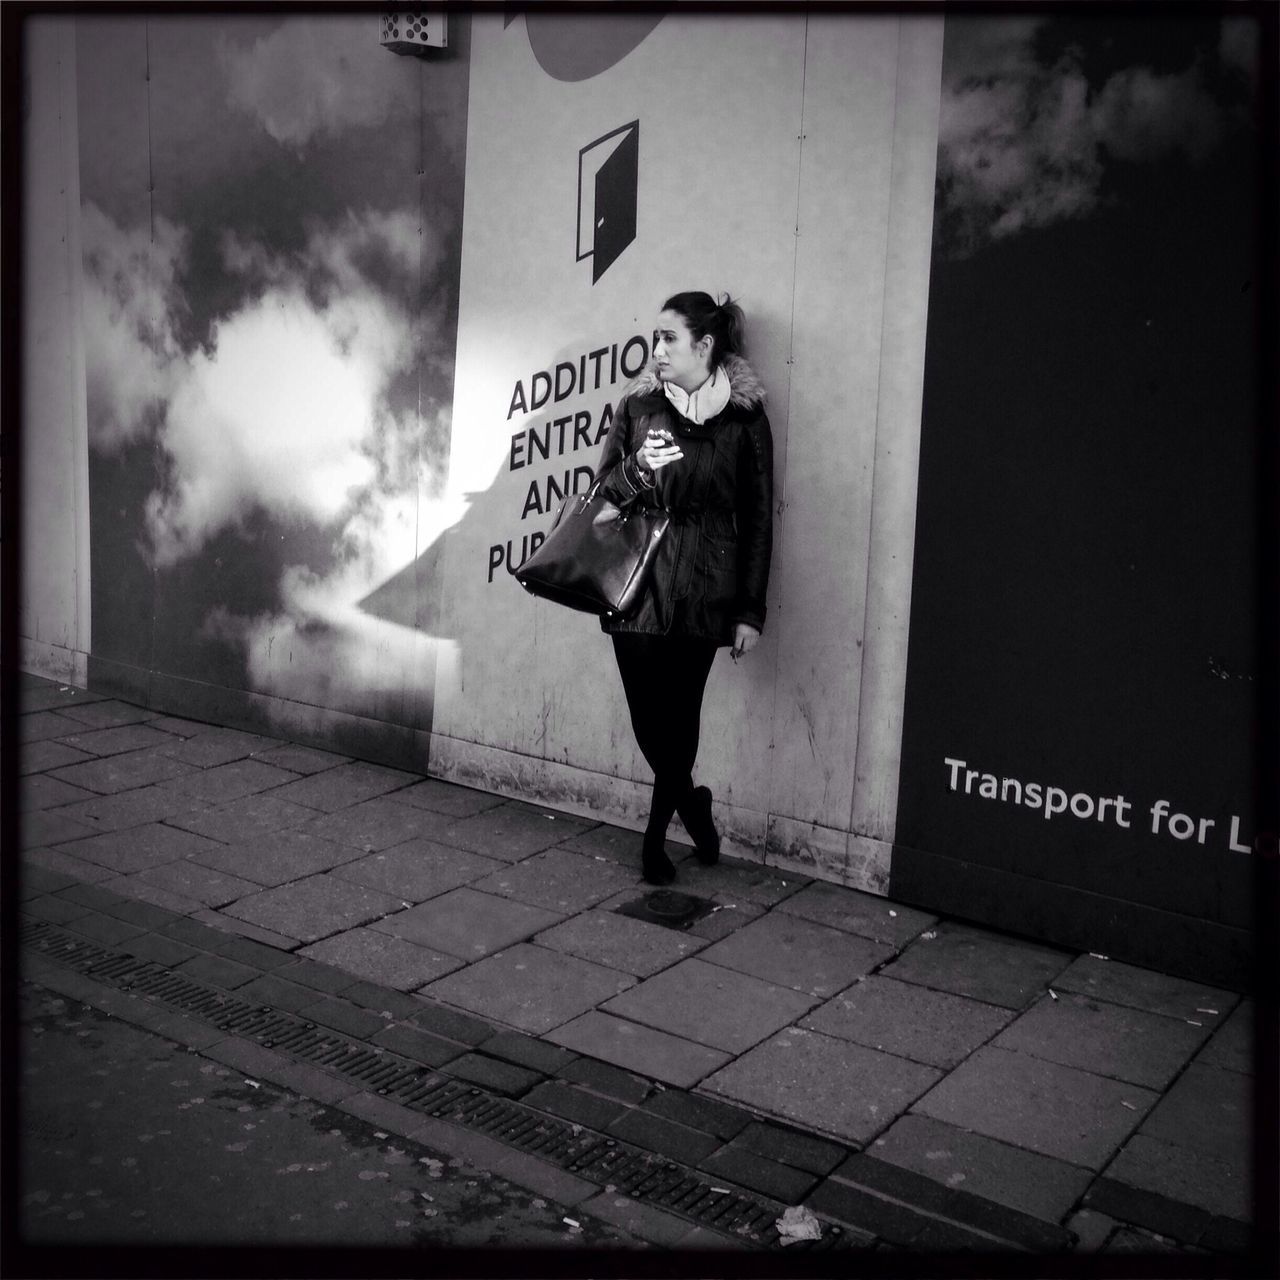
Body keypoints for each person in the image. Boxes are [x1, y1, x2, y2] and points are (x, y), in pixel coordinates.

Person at [594, 292, 774, 885]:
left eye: (670, 338)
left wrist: (749, 611)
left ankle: (653, 842)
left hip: (706, 590)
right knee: (652, 722)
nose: (657, 349)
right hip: (639, 586)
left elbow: (758, 521)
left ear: (705, 345)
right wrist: (638, 469)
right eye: (655, 337)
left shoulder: (747, 421)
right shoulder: (638, 406)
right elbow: (600, 503)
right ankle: (693, 805)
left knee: (682, 717)